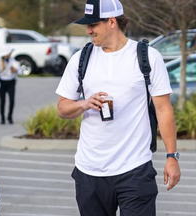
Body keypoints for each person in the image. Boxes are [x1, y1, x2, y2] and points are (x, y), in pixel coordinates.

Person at [55, 0, 181, 215]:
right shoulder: (80, 59)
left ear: (111, 22)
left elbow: (163, 110)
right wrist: (84, 104)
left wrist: (172, 157)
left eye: (93, 24)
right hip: (89, 170)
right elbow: (62, 108)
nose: (88, 30)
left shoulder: (148, 57)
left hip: (135, 169)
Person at [0, 46, 20, 124]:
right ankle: (2, 117)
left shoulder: (12, 60)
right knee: (2, 101)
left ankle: (10, 116)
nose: (10, 54)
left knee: (11, 100)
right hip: (2, 82)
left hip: (11, 82)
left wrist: (16, 69)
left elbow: (18, 68)